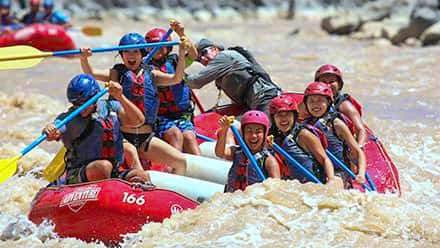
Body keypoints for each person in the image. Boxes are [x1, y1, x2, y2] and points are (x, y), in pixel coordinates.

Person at [80, 32, 191, 175]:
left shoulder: (152, 74)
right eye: (126, 52)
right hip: (123, 137)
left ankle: (174, 191)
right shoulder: (116, 73)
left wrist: (182, 54)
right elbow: (91, 73)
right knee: (139, 172)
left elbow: (176, 79)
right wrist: (84, 59)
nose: (130, 56)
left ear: (142, 54)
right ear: (121, 54)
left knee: (180, 162)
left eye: (135, 52)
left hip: (146, 138)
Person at [43, 74, 150, 184]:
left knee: (141, 175)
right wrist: (49, 130)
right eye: (76, 104)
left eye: (84, 103)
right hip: (80, 174)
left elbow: (138, 121)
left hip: (113, 171)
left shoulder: (111, 107)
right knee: (103, 167)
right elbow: (54, 132)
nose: (80, 108)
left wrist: (120, 97)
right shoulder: (70, 118)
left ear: (95, 98)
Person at [185, 38, 282, 116]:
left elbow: (195, 82)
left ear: (215, 49)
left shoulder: (224, 57)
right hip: (253, 103)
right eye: (198, 59)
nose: (202, 59)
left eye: (203, 52)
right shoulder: (220, 67)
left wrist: (176, 75)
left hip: (266, 99)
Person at [144, 21, 200, 155]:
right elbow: (172, 79)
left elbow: (193, 55)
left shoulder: (175, 61)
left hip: (182, 115)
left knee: (189, 137)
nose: (159, 49)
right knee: (175, 134)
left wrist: (181, 33)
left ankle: (199, 166)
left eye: (163, 46)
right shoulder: (145, 67)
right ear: (148, 48)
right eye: (155, 46)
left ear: (169, 48)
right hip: (161, 117)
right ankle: (174, 168)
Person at [302, 82, 367, 187]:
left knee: (331, 186)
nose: (315, 105)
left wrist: (361, 173)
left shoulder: (336, 124)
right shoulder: (304, 125)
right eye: (311, 101)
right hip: (318, 170)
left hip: (339, 171)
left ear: (328, 102)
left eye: (320, 101)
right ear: (306, 104)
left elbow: (358, 152)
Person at [269, 93, 339, 185]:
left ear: (294, 116)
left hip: (313, 184)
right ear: (273, 119)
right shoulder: (274, 138)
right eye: (279, 115)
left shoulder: (304, 135)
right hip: (293, 185)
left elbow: (325, 159)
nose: (283, 119)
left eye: (287, 114)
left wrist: (331, 179)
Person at [215, 110, 280, 192]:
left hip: (254, 202)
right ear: (243, 133)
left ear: (264, 134)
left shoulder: (269, 161)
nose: (253, 136)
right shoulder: (237, 151)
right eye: (249, 131)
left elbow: (277, 190)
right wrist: (224, 130)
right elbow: (219, 153)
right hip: (233, 199)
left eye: (258, 131)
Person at [314, 64, 367, 147]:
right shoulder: (312, 103)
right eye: (323, 82)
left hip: (339, 144)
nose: (328, 85)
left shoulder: (344, 106)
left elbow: (360, 130)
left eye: (332, 82)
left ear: (339, 85)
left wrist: (359, 148)